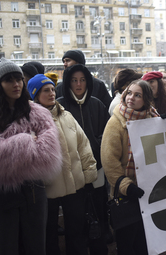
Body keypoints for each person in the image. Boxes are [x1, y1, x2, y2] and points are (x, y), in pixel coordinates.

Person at [0, 58, 62, 255]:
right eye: (9, 80)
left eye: (19, 79)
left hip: (33, 192)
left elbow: (48, 154)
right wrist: (26, 142)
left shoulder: (37, 113)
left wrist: (8, 152)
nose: (16, 84)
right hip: (2, 195)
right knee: (6, 246)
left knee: (35, 246)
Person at [27, 74, 98, 255]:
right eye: (45, 90)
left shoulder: (66, 115)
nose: (51, 93)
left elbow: (83, 145)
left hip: (75, 185)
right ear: (35, 95)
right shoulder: (30, 120)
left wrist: (89, 172)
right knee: (49, 234)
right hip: (48, 187)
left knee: (77, 231)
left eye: (52, 89)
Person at [101, 80, 159, 255]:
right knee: (127, 242)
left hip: (149, 190)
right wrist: (126, 185)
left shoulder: (153, 118)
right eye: (129, 93)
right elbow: (109, 160)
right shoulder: (116, 122)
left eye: (138, 95)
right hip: (127, 193)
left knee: (144, 241)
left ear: (146, 100)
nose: (131, 98)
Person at [57, 64, 110, 255]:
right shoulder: (59, 105)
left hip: (96, 170)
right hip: (71, 175)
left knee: (98, 216)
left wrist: (94, 145)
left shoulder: (97, 104)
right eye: (74, 80)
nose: (78, 84)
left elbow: (107, 135)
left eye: (82, 80)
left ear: (88, 81)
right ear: (68, 82)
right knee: (74, 222)